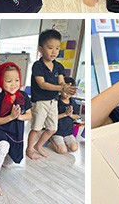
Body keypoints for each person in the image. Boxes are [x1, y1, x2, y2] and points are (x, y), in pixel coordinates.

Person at [27, 29, 76, 160]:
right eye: (50, 48)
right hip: (40, 102)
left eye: (57, 48)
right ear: (40, 49)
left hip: (53, 101)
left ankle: (39, 146)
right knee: (36, 128)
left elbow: (61, 81)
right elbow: (42, 84)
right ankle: (29, 149)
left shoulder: (59, 66)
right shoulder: (37, 66)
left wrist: (66, 87)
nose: (54, 51)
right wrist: (61, 88)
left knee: (52, 129)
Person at [0, 61, 31, 196]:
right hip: (0, 131)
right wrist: (11, 117)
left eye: (16, 80)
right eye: (9, 81)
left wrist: (19, 117)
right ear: (1, 81)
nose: (14, 84)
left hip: (16, 134)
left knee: (10, 163)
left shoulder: (23, 96)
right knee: (3, 146)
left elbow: (29, 114)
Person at [51, 78, 81, 154]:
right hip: (56, 132)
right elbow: (52, 117)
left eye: (70, 92)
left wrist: (70, 115)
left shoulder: (73, 102)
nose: (67, 94)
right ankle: (51, 138)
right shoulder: (56, 101)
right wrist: (65, 114)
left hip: (68, 132)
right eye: (66, 91)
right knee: (62, 151)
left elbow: (77, 116)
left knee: (74, 148)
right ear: (61, 89)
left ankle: (64, 142)